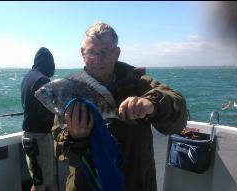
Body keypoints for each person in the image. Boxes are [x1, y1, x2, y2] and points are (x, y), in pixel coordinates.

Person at [52, 22, 188, 191]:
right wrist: (75, 138)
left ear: (117, 53)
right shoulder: (68, 91)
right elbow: (62, 153)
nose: (97, 59)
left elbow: (180, 116)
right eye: (91, 52)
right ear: (82, 53)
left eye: (104, 52)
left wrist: (152, 104)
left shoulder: (140, 85)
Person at [21, 47, 57, 191]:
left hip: (29, 135)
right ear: (47, 63)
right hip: (39, 138)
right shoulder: (42, 79)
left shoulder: (28, 77)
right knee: (41, 184)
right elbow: (46, 113)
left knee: (39, 179)